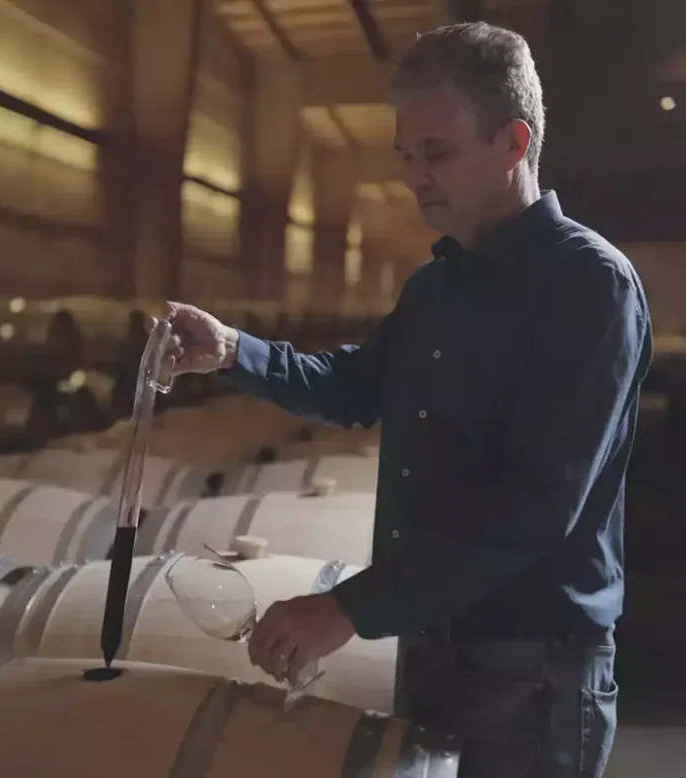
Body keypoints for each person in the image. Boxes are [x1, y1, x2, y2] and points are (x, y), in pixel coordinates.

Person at [154, 21, 651, 778]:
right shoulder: (436, 286)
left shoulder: (589, 285)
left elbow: (536, 503)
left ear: (513, 143)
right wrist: (232, 350)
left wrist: (347, 608)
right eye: (406, 156)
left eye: (437, 153)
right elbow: (354, 386)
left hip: (529, 670)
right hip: (432, 643)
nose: (415, 176)